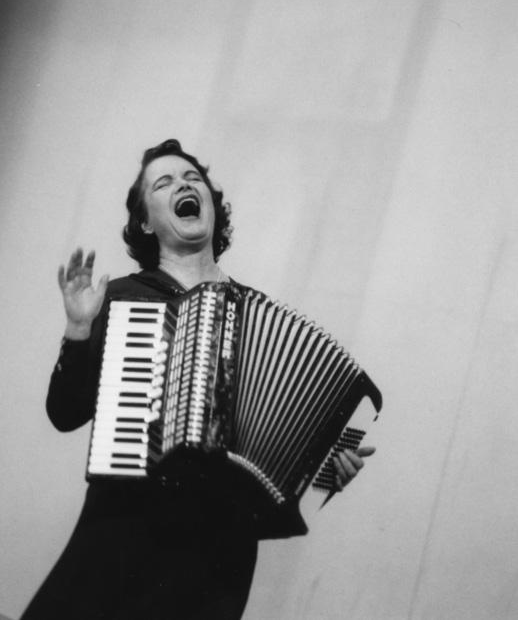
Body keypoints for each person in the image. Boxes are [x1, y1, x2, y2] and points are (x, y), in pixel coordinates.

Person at [21, 139, 374, 620]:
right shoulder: (123, 298)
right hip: (124, 530)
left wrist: (328, 471)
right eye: (163, 183)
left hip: (218, 553)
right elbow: (64, 414)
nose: (183, 185)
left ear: (209, 201)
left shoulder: (253, 314)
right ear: (146, 222)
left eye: (192, 178)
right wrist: (79, 329)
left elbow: (285, 443)